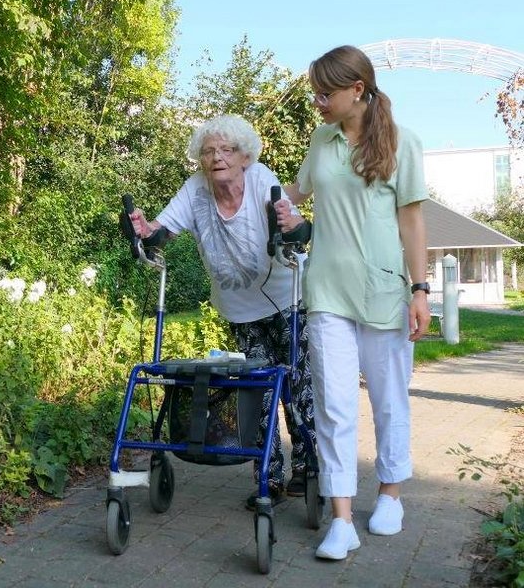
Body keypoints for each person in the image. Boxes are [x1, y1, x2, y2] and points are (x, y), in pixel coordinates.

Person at [275, 45, 431, 560]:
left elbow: (412, 222)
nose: (317, 101)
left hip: (386, 291)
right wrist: (239, 177)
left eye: (325, 93)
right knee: (334, 407)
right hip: (327, 291)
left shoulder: (404, 143)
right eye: (315, 92)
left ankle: (390, 493)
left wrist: (420, 288)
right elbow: (294, 192)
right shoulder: (320, 141)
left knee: (389, 401)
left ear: (356, 90)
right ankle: (342, 520)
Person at [128, 113, 317, 506]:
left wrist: (293, 222)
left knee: (297, 387)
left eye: (227, 150)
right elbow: (163, 230)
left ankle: (308, 469)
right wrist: (145, 230)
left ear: (244, 157)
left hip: (287, 300)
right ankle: (269, 478)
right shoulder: (196, 190)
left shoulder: (262, 179)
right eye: (209, 151)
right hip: (239, 309)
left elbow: (291, 220)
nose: (217, 158)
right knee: (258, 394)